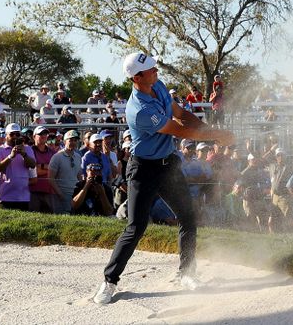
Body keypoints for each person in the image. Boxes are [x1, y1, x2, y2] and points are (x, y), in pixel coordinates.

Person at [94, 52, 233, 306]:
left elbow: (182, 115)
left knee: (188, 218)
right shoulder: (139, 110)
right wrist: (215, 135)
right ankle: (110, 281)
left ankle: (186, 273)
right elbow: (179, 130)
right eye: (150, 68)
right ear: (137, 77)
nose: (156, 70)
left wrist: (211, 130)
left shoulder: (157, 86)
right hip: (143, 170)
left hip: (168, 165)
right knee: (136, 227)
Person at [0, 123, 36, 210]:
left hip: (23, 197)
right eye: (12, 134)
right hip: (5, 197)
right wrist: (10, 156)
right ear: (6, 135)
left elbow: (32, 164)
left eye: (17, 134)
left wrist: (24, 154)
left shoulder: (27, 149)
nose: (15, 136)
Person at [49, 130, 84, 213]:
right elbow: (50, 178)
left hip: (74, 194)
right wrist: (60, 194)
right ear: (65, 141)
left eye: (75, 140)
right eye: (70, 140)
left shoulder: (78, 157)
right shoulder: (57, 157)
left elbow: (79, 175)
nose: (73, 142)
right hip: (60, 195)